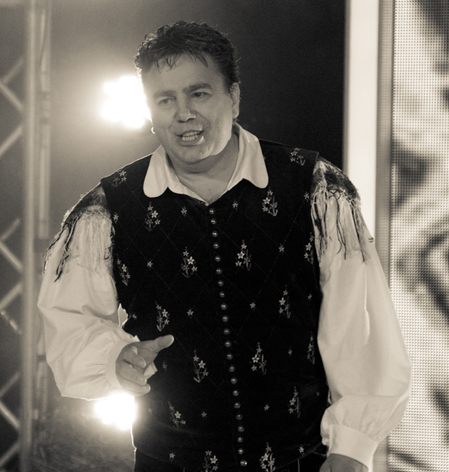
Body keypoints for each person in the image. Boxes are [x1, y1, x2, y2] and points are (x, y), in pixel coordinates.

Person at [38, 21, 411, 472]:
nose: (183, 114)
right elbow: (69, 323)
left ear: (233, 97)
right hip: (169, 461)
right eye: (165, 100)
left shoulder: (313, 187)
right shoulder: (107, 209)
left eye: (198, 94)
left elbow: (359, 322)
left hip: (297, 459)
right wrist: (115, 360)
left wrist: (353, 446)